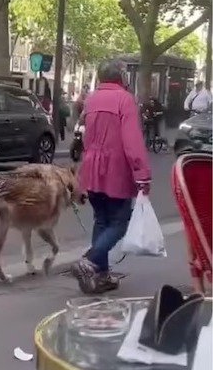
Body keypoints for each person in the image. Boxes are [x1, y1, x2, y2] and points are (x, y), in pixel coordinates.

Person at [71, 58, 151, 294]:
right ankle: (90, 260)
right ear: (121, 77)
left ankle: (100, 275)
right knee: (119, 222)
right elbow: (132, 142)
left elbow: (83, 134)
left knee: (101, 220)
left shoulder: (92, 99)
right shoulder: (124, 100)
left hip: (92, 167)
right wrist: (142, 174)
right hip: (115, 168)